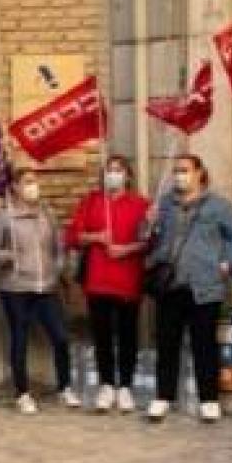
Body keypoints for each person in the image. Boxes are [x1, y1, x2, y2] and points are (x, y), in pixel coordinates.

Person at [146, 155, 232, 423]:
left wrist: (229, 262)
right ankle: (163, 397)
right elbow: (145, 237)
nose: (179, 175)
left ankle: (209, 399)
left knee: (204, 343)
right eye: (176, 171)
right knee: (167, 342)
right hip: (171, 282)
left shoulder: (218, 206)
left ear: (199, 173)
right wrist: (148, 222)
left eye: (184, 170)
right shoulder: (165, 204)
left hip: (205, 283)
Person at [66, 155, 151, 413]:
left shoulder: (141, 204)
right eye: (109, 170)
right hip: (98, 279)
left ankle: (125, 385)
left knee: (128, 334)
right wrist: (96, 236)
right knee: (101, 334)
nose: (113, 174)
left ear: (128, 175)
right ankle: (106, 385)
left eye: (118, 170)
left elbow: (150, 241)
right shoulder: (92, 202)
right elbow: (72, 236)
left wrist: (126, 249)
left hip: (128, 278)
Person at [0, 167, 74, 413]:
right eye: (27, 182)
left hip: (46, 286)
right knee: (20, 338)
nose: (33, 186)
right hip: (15, 287)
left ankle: (65, 387)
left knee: (61, 337)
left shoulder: (48, 214)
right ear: (15, 186)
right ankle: (22, 393)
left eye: (35, 181)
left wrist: (56, 271)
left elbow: (59, 247)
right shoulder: (5, 217)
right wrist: (7, 255)